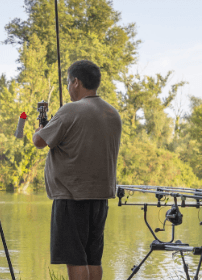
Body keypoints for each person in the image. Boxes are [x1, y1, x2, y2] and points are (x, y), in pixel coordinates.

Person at [32, 60, 122, 280]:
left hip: (72, 197)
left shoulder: (71, 109)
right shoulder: (112, 113)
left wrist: (42, 126)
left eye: (69, 82)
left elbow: (39, 141)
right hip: (100, 198)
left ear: (76, 82)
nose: (69, 87)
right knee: (93, 258)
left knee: (76, 260)